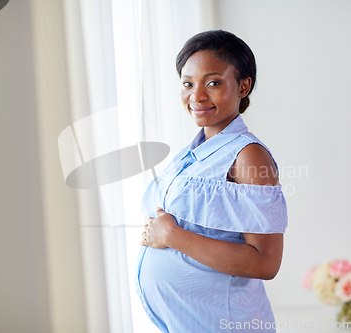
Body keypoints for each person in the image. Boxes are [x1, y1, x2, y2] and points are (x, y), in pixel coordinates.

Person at [135, 30, 288, 333]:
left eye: (213, 82)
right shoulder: (190, 154)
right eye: (188, 84)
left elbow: (265, 262)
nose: (197, 96)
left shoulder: (248, 156)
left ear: (243, 86)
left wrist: (172, 237)